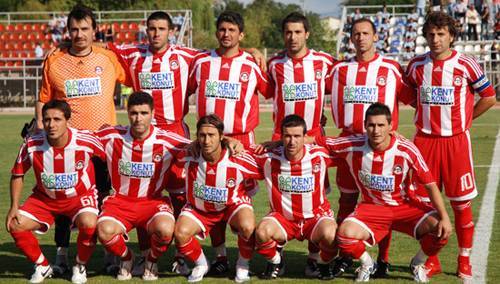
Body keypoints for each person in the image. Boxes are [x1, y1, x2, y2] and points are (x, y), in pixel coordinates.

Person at [108, 11, 267, 275]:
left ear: (171, 31)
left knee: (208, 195)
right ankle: (151, 253)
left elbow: (225, 49)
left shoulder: (188, 56)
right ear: (146, 30)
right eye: (151, 28)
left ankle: (221, 257)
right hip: (145, 135)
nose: (156, 33)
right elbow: (103, 48)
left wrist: (248, 49)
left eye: (162, 28)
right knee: (146, 191)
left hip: (182, 135)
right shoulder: (134, 54)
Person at [35, 4, 127, 275]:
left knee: (102, 200)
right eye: (74, 29)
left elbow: (136, 71)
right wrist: (42, 129)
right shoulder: (54, 59)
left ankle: (109, 254)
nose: (79, 34)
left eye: (85, 28)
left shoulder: (108, 58)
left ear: (94, 30)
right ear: (68, 31)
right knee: (64, 202)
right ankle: (62, 255)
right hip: (68, 146)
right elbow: (43, 101)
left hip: (100, 146)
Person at [315, 103, 452, 282]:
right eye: (371, 125)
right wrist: (280, 142)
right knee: (343, 235)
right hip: (371, 208)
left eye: (381, 125)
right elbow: (317, 140)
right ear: (365, 125)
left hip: (404, 206)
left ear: (390, 126)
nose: (376, 130)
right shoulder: (353, 144)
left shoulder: (406, 149)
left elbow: (430, 184)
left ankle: (417, 263)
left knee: (441, 229)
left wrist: (444, 216)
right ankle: (367, 263)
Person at [405, 11, 496, 281]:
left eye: (441, 34)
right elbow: (407, 92)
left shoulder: (466, 64)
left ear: (452, 36)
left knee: (460, 204)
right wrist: (424, 111)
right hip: (424, 142)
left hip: (456, 142)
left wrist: (465, 119)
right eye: (431, 34)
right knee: (425, 205)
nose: (435, 39)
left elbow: (489, 97)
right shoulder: (416, 65)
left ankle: (464, 258)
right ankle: (431, 260)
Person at [325, 17, 414, 278]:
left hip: (381, 148)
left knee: (384, 205)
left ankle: (383, 260)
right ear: (350, 38)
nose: (361, 37)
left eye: (366, 33)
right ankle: (344, 256)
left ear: (376, 37)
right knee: (347, 201)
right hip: (350, 146)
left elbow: (411, 98)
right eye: (356, 33)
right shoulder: (339, 70)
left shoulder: (391, 68)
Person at [187, 11, 269, 275]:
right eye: (222, 29)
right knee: (212, 194)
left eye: (232, 30)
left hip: (242, 141)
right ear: (216, 32)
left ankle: (242, 260)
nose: (226, 34)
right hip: (209, 141)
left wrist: (260, 54)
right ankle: (221, 256)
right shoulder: (200, 61)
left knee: (239, 199)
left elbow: (272, 89)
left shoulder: (252, 63)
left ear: (241, 35)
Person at [265, 12, 335, 277]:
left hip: (314, 141)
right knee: (279, 193)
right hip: (282, 140)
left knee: (316, 197)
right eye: (288, 32)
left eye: (297, 32)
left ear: (307, 34)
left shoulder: (324, 61)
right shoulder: (274, 64)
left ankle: (314, 257)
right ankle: (277, 250)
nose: (292, 37)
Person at [7, 100, 105, 284]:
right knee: (15, 224)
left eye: (57, 119)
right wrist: (14, 206)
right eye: (47, 120)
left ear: (68, 120)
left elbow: (111, 156)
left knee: (89, 222)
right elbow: (17, 174)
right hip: (44, 199)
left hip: (80, 197)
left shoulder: (86, 140)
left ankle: (80, 264)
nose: (51, 125)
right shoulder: (32, 143)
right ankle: (43, 266)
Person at [95, 92, 190, 281]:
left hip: (153, 202)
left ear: (153, 114)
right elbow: (79, 138)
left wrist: (228, 141)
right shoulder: (111, 136)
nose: (138, 118)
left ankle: (151, 261)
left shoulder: (168, 140)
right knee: (103, 230)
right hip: (120, 201)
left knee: (166, 229)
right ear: (127, 113)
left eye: (144, 113)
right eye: (134, 113)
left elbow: (200, 146)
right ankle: (127, 258)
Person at [173, 114, 260, 283]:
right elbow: (170, 149)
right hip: (199, 209)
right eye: (202, 135)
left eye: (212, 135)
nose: (206, 141)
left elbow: (268, 166)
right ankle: (201, 264)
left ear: (221, 137)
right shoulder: (188, 154)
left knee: (248, 227)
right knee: (180, 234)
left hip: (232, 205)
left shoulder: (238, 157)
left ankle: (242, 265)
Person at [252, 115, 338, 280]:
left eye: (297, 136)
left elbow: (347, 145)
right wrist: (230, 141)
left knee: (332, 235)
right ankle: (276, 261)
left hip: (315, 217)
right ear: (281, 136)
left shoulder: (320, 155)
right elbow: (240, 151)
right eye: (287, 136)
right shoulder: (269, 158)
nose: (292, 141)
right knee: (261, 232)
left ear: (305, 137)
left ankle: (320, 263)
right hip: (283, 218)